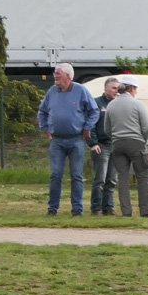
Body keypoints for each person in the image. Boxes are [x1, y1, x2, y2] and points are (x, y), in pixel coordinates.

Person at [36, 63, 97, 217]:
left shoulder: (80, 90)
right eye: (55, 73)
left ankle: (77, 209)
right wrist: (45, 128)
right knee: (55, 175)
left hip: (76, 140)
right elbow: (42, 111)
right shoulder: (52, 91)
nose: (55, 76)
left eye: (58, 73)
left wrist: (87, 127)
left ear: (68, 76)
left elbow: (94, 111)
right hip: (56, 141)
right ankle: (52, 208)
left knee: (76, 175)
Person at [104, 76, 148, 217]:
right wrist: (142, 141)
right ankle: (145, 211)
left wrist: (115, 138)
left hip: (117, 144)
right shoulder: (137, 104)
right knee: (143, 177)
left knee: (122, 178)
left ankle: (126, 211)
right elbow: (146, 128)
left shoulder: (111, 105)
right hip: (136, 143)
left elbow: (107, 129)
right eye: (136, 89)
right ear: (132, 88)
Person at [87, 77, 120, 215]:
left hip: (115, 145)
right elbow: (90, 125)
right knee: (100, 179)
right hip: (101, 145)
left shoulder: (118, 104)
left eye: (118, 88)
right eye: (113, 88)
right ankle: (96, 208)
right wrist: (93, 143)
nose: (116, 91)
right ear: (105, 88)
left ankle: (108, 207)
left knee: (112, 179)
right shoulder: (96, 103)